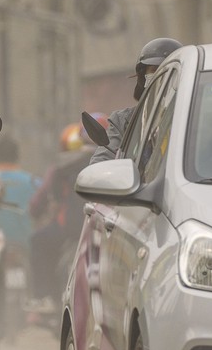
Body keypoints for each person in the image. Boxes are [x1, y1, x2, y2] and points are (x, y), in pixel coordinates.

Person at [27, 118, 106, 309]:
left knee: (38, 240)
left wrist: (41, 210)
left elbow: (46, 197)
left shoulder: (64, 165)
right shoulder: (121, 160)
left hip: (71, 229)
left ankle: (43, 296)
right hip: (108, 229)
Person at [91, 37, 183, 164]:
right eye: (154, 70)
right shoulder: (123, 121)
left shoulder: (193, 116)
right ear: (143, 76)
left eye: (167, 69)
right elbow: (102, 163)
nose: (161, 75)